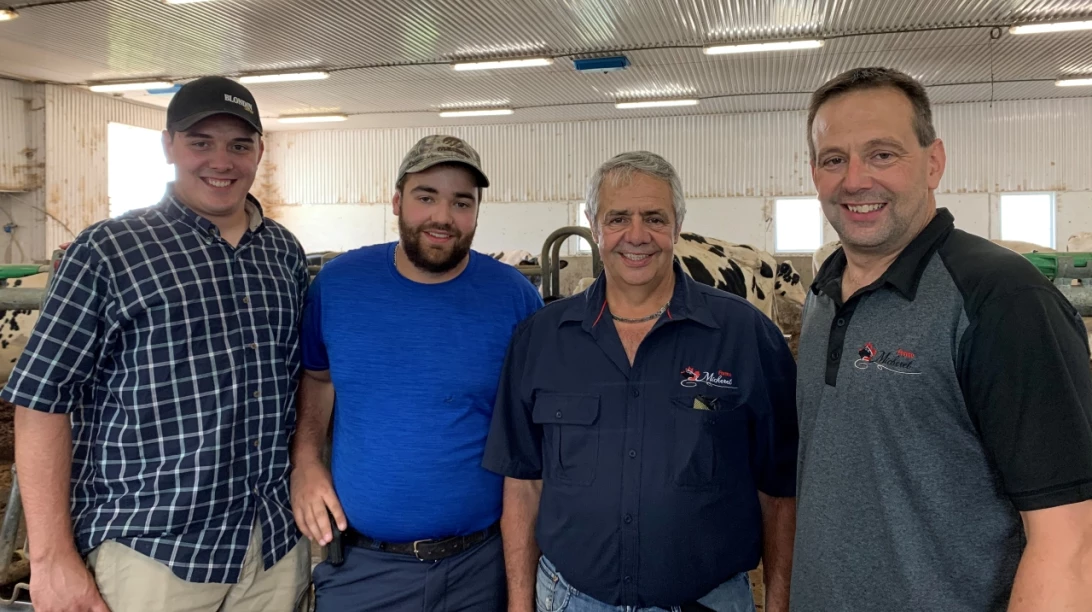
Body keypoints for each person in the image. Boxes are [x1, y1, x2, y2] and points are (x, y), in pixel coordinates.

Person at [2, 76, 313, 612]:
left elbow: (303, 379)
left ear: (260, 151)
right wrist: (52, 561)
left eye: (239, 145)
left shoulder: (283, 253)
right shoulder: (109, 250)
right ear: (168, 145)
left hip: (271, 550)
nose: (222, 160)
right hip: (151, 554)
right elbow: (40, 402)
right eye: (201, 142)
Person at [792, 66, 1092, 611]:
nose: (855, 179)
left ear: (933, 163)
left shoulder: (1001, 300)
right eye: (834, 159)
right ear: (814, 173)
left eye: (882, 154)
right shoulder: (822, 292)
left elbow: (1070, 541)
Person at [482, 151, 799, 612]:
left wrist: (779, 604)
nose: (636, 235)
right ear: (594, 226)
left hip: (708, 601)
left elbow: (779, 491)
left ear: (677, 225)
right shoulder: (541, 339)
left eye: (654, 218)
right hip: (572, 600)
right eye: (618, 218)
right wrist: (518, 604)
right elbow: (523, 484)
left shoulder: (746, 336)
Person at [290, 134, 543, 612]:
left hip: (481, 567)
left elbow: (530, 446)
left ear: (476, 212)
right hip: (364, 570)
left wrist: (519, 595)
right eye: (426, 196)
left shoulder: (515, 300)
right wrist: (305, 458)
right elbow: (319, 378)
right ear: (397, 201)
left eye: (461, 202)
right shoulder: (339, 286)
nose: (442, 217)